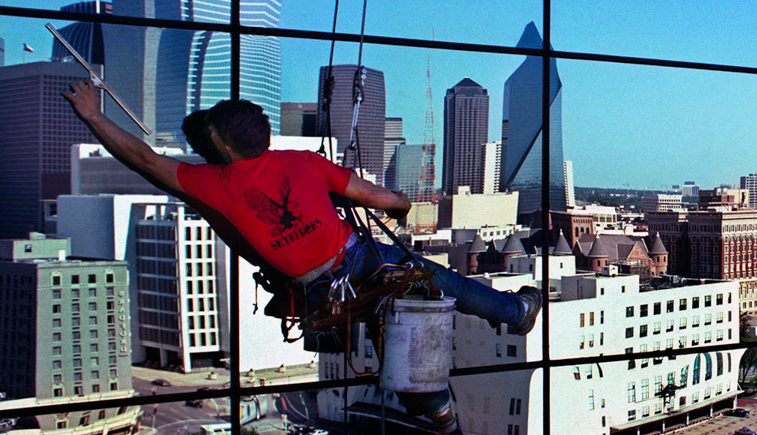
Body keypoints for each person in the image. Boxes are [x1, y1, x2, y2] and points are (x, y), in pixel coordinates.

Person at [62, 81, 541, 339]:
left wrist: (92, 115)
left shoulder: (211, 183)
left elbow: (145, 159)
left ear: (222, 146)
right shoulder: (303, 163)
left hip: (314, 289)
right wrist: (400, 206)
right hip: (358, 258)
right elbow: (380, 198)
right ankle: (515, 311)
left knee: (383, 325)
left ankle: (433, 409)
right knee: (439, 281)